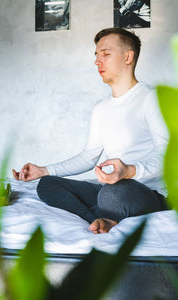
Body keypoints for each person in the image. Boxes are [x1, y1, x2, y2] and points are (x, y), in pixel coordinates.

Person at [13, 28, 169, 234]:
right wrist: (43, 170)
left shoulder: (151, 98)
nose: (97, 61)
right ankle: (98, 218)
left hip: (149, 192)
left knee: (113, 192)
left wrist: (129, 171)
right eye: (96, 55)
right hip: (111, 188)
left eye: (105, 54)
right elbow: (89, 157)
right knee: (47, 185)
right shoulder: (101, 108)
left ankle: (105, 212)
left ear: (127, 56)